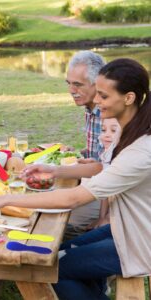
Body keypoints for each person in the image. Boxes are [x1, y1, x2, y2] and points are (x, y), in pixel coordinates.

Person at [0, 58, 151, 299]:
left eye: (103, 95)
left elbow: (73, 198)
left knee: (51, 267)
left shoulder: (141, 149)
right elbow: (104, 168)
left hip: (140, 243)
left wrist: (4, 200)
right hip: (124, 228)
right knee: (61, 250)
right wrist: (55, 171)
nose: (96, 101)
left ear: (129, 98)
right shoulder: (130, 129)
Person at [64, 50, 106, 238]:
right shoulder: (90, 108)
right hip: (94, 185)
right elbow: (97, 157)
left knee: (63, 219)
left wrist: (52, 169)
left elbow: (106, 169)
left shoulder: (107, 113)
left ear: (97, 84)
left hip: (108, 195)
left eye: (78, 84)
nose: (71, 90)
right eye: (69, 83)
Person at [86, 118, 121, 230]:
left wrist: (107, 219)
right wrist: (101, 217)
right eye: (103, 130)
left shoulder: (124, 159)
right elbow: (105, 194)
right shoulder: (108, 153)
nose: (106, 135)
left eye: (113, 130)